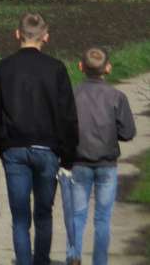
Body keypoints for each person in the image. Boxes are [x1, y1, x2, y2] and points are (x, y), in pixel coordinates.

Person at [0, 12, 79, 265]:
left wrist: (0, 145)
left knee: (20, 218)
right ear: (45, 37)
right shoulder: (56, 69)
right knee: (43, 214)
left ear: (17, 34)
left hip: (13, 149)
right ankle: (41, 261)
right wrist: (68, 156)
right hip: (48, 149)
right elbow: (68, 117)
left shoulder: (3, 68)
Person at [59, 46, 137, 265]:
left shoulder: (72, 94)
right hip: (107, 163)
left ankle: (73, 254)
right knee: (103, 218)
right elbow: (128, 132)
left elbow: (63, 127)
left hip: (78, 161)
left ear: (80, 67)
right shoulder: (117, 96)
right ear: (108, 68)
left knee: (77, 214)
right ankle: (100, 261)